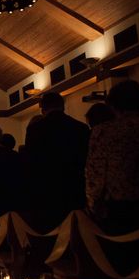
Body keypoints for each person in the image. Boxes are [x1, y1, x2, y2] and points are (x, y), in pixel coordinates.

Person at [86, 80, 139, 231]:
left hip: (119, 205)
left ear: (113, 105)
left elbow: (96, 171)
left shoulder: (103, 131)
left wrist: (93, 203)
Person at [24, 92, 90, 227]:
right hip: (74, 186)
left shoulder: (35, 129)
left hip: (46, 189)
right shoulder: (80, 128)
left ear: (42, 108)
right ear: (63, 106)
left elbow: (31, 161)